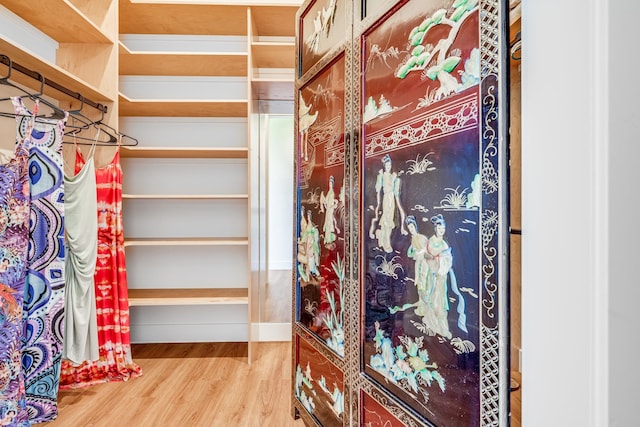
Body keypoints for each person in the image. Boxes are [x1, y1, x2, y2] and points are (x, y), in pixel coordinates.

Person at [369, 154, 407, 253]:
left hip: (392, 199)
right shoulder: (383, 175)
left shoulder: (391, 175)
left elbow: (395, 190)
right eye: (387, 166)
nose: (388, 167)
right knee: (386, 220)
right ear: (384, 166)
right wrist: (392, 177)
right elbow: (379, 188)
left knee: (390, 221)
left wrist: (396, 179)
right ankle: (386, 241)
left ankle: (386, 239)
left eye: (390, 166)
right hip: (386, 198)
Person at [320, 176, 339, 246]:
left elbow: (334, 203)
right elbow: (327, 204)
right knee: (327, 223)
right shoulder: (329, 192)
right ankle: (327, 239)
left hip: (330, 210)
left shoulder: (332, 193)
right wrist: (325, 204)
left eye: (331, 183)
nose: (330, 184)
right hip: (328, 210)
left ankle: (329, 239)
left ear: (333, 184)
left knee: (330, 222)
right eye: (329, 183)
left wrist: (331, 206)